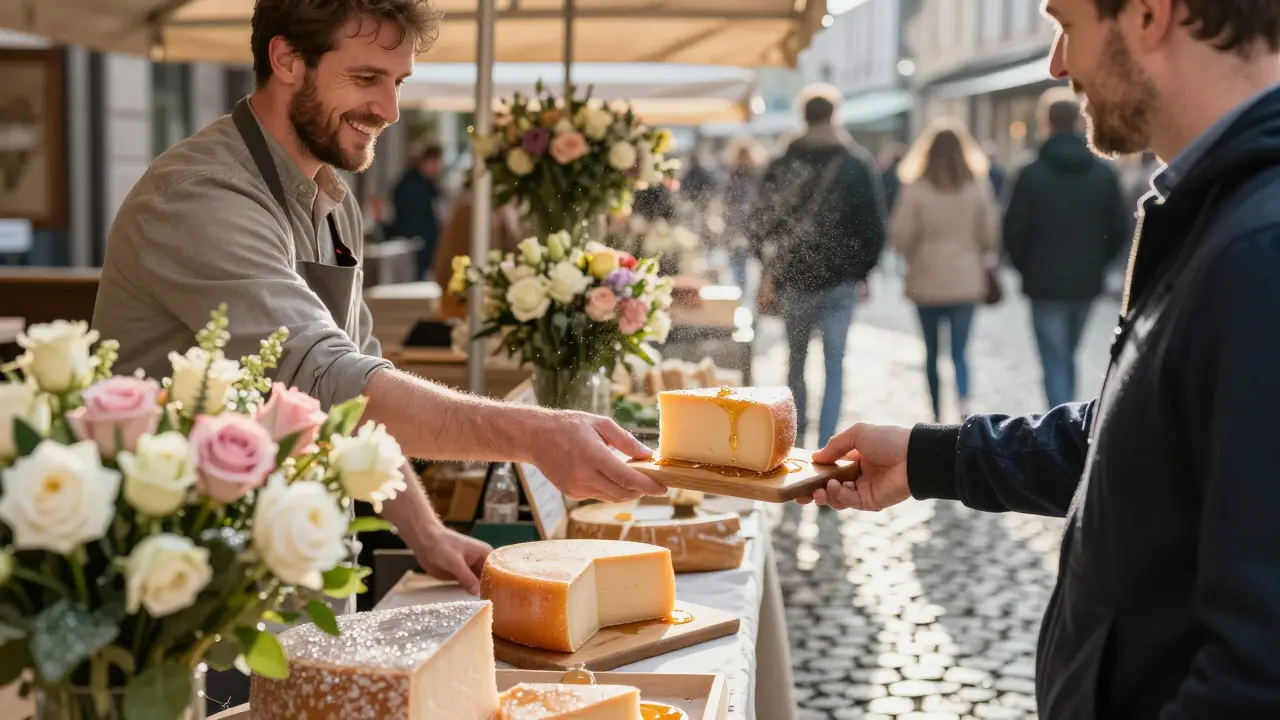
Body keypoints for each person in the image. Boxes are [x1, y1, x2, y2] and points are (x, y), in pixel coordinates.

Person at [800, 0, 1280, 717]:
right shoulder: (1220, 212)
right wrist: (930, 457)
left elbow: (1257, 672)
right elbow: (1134, 441)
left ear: (1149, 15)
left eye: (1068, 26)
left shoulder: (1256, 249)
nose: (1057, 63)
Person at [92, 0, 666, 591]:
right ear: (286, 58)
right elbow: (333, 381)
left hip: (297, 563)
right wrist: (536, 435)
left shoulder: (334, 202)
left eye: (397, 82)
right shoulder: (201, 194)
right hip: (180, 583)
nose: (389, 110)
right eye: (366, 78)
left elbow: (359, 403)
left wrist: (427, 535)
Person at [749, 83, 886, 448]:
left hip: (795, 278)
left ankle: (795, 449)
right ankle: (827, 449)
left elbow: (759, 223)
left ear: (802, 116)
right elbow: (873, 226)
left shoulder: (783, 162)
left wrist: (770, 267)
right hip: (841, 282)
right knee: (834, 368)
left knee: (795, 364)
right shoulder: (855, 163)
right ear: (835, 115)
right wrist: (863, 271)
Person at [1004, 90, 1130, 408]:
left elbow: (1013, 231)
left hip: (1044, 282)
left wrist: (1028, 267)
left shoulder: (1030, 173)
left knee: (1055, 356)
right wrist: (1097, 263)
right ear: (1078, 122)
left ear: (1045, 123)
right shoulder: (1102, 174)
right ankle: (1066, 413)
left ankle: (1060, 416)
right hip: (1085, 280)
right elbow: (1119, 228)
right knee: (1067, 353)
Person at [889, 120, 1001, 421]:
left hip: (926, 278)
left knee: (931, 352)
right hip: (966, 279)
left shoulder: (916, 187)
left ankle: (936, 412)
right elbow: (989, 235)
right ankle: (964, 403)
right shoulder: (977, 186)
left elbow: (901, 237)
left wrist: (919, 252)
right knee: (961, 351)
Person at [389, 143, 444, 280]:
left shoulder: (429, 184)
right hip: (415, 247)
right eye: (435, 162)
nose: (438, 167)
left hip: (426, 247)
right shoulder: (411, 185)